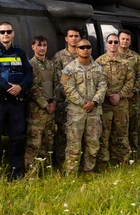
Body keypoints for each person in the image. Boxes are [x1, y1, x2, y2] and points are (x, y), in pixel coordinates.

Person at [0, 22, 33, 180]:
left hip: (16, 102)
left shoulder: (20, 53)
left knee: (17, 138)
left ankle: (16, 171)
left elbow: (29, 74)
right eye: (2, 32)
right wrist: (8, 87)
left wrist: (21, 87)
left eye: (8, 31)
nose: (5, 34)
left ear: (13, 34)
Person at [60, 39, 107, 174]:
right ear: (76, 50)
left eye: (88, 47)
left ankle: (89, 170)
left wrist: (94, 102)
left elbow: (103, 87)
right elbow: (68, 89)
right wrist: (83, 103)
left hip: (94, 111)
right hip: (76, 113)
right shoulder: (68, 69)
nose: (85, 49)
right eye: (82, 47)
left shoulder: (98, 69)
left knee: (93, 143)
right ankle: (71, 172)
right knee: (73, 144)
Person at [96, 34, 135, 167]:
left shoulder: (126, 63)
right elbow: (96, 82)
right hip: (105, 104)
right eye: (110, 42)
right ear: (106, 43)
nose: (113, 44)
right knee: (104, 135)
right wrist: (108, 95)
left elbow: (130, 82)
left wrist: (120, 95)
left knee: (122, 133)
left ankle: (122, 160)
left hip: (121, 104)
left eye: (115, 42)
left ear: (119, 44)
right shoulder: (99, 62)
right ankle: (103, 162)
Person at [52, 27, 83, 168]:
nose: (74, 38)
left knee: (78, 133)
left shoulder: (84, 54)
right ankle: (60, 162)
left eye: (76, 36)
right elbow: (58, 81)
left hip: (81, 104)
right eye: (71, 36)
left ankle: (76, 163)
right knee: (63, 134)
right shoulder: (59, 57)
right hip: (64, 102)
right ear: (66, 38)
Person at [26, 35, 57, 174]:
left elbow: (57, 85)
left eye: (44, 45)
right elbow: (32, 87)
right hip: (37, 111)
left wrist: (54, 102)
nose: (42, 48)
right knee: (34, 143)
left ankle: (45, 171)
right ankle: (30, 173)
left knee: (48, 142)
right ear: (33, 47)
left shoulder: (51, 65)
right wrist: (45, 104)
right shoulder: (30, 65)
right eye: (39, 45)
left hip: (51, 110)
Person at [118, 30, 140, 158]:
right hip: (117, 100)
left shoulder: (136, 57)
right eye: (122, 39)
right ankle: (119, 155)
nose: (124, 41)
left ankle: (134, 154)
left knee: (133, 129)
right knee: (118, 129)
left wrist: (134, 90)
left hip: (132, 99)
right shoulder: (111, 56)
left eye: (127, 39)